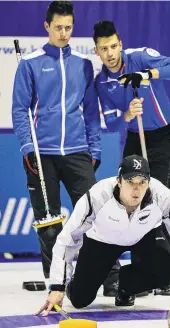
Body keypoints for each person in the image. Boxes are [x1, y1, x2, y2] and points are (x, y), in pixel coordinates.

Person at [35, 154, 170, 316]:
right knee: (80, 299)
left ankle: (125, 286)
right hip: (102, 240)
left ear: (149, 182)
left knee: (165, 273)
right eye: (130, 181)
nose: (136, 189)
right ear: (119, 181)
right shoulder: (97, 196)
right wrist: (58, 285)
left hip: (143, 236)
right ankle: (77, 283)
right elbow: (68, 239)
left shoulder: (161, 196)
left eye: (142, 182)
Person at [93, 20, 170, 295]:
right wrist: (126, 114)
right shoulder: (102, 82)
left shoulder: (139, 57)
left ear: (120, 44)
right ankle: (142, 275)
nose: (110, 52)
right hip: (136, 139)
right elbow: (111, 124)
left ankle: (165, 275)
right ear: (97, 51)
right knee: (133, 201)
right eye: (104, 48)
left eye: (114, 46)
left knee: (160, 203)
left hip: (163, 137)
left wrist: (148, 74)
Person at [12, 1, 101, 285]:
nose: (64, 33)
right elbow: (20, 109)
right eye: (58, 27)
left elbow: (90, 112)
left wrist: (95, 148)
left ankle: (105, 278)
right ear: (47, 26)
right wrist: (28, 147)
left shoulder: (84, 65)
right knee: (49, 222)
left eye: (69, 27)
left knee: (94, 216)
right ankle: (57, 281)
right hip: (42, 153)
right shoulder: (30, 63)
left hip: (76, 151)